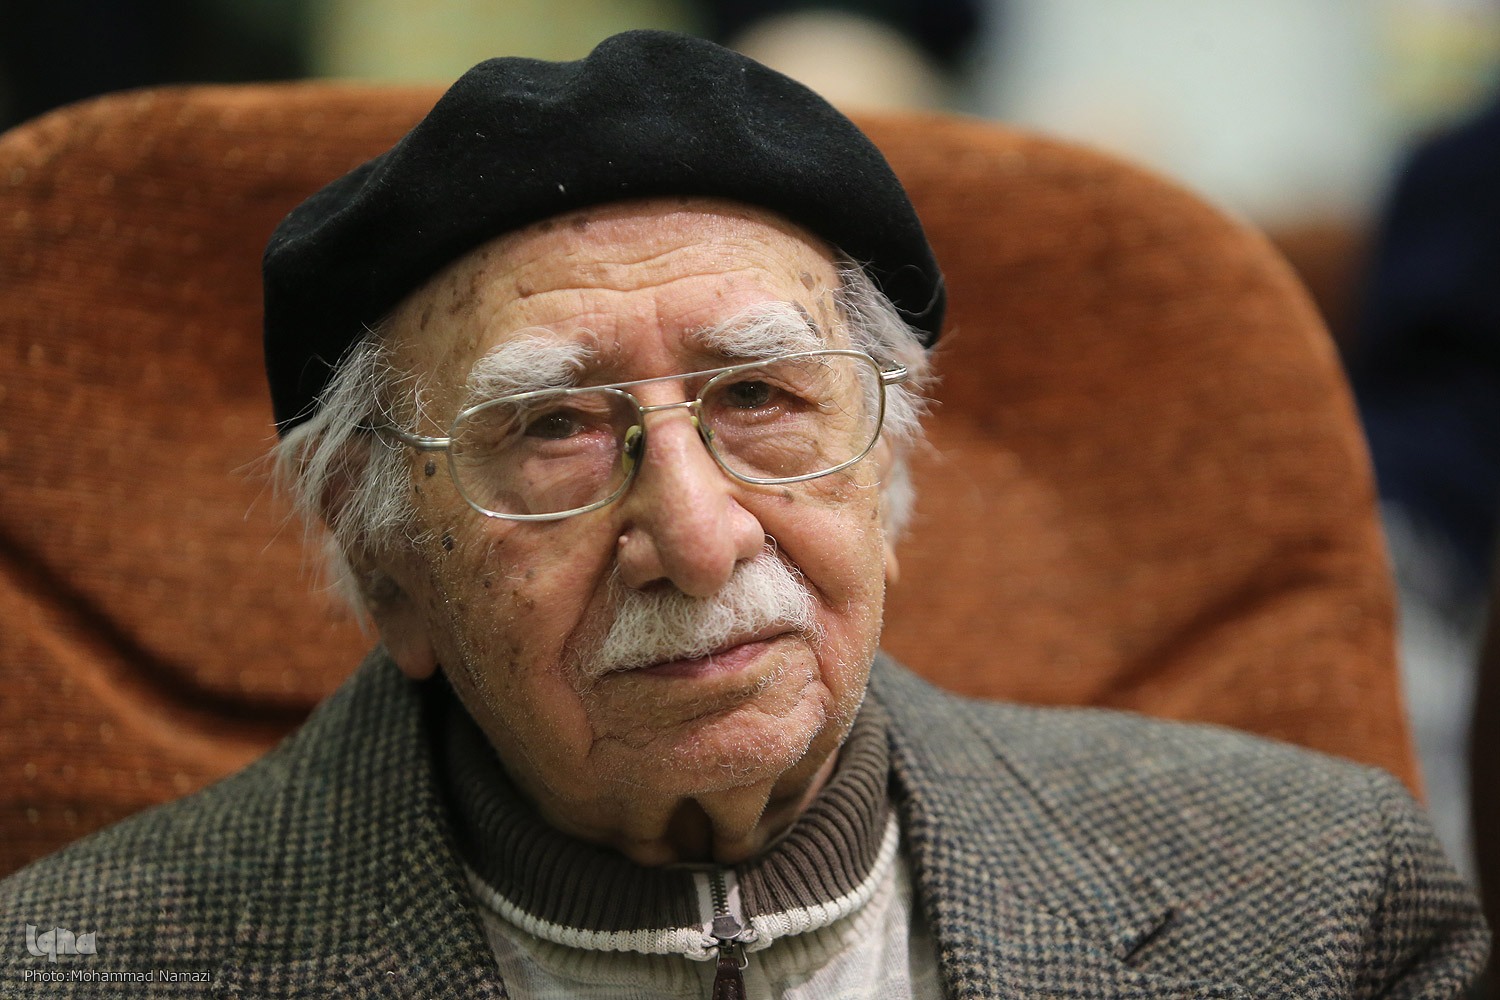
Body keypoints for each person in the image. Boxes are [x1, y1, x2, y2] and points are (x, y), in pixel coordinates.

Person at [0, 30, 1488, 998]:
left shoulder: (1319, 898)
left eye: (764, 397)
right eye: (556, 429)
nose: (702, 539)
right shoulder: (78, 969)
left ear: (887, 473)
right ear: (386, 563)